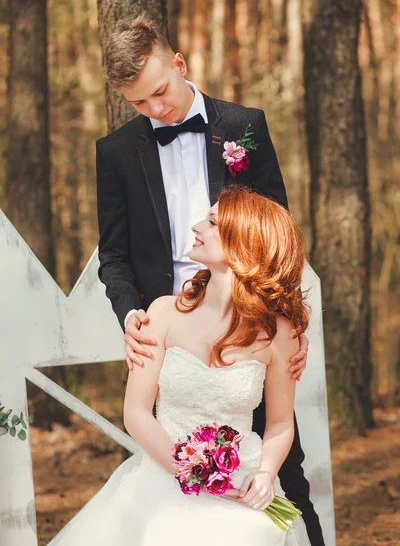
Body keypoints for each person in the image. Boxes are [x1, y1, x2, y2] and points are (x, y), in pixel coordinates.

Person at [96, 17, 324, 546]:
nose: (156, 110)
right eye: (139, 104)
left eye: (160, 92)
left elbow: (277, 233)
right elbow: (115, 257)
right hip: (167, 334)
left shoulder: (244, 125)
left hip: (248, 323)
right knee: (163, 493)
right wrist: (135, 319)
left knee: (288, 480)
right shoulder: (115, 152)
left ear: (179, 65)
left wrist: (288, 323)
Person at [52, 187, 312, 546]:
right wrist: (188, 471)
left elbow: (281, 421)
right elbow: (137, 413)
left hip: (242, 481)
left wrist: (266, 474)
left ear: (244, 242)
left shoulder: (280, 335)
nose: (196, 227)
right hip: (161, 477)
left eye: (211, 222)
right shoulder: (162, 313)